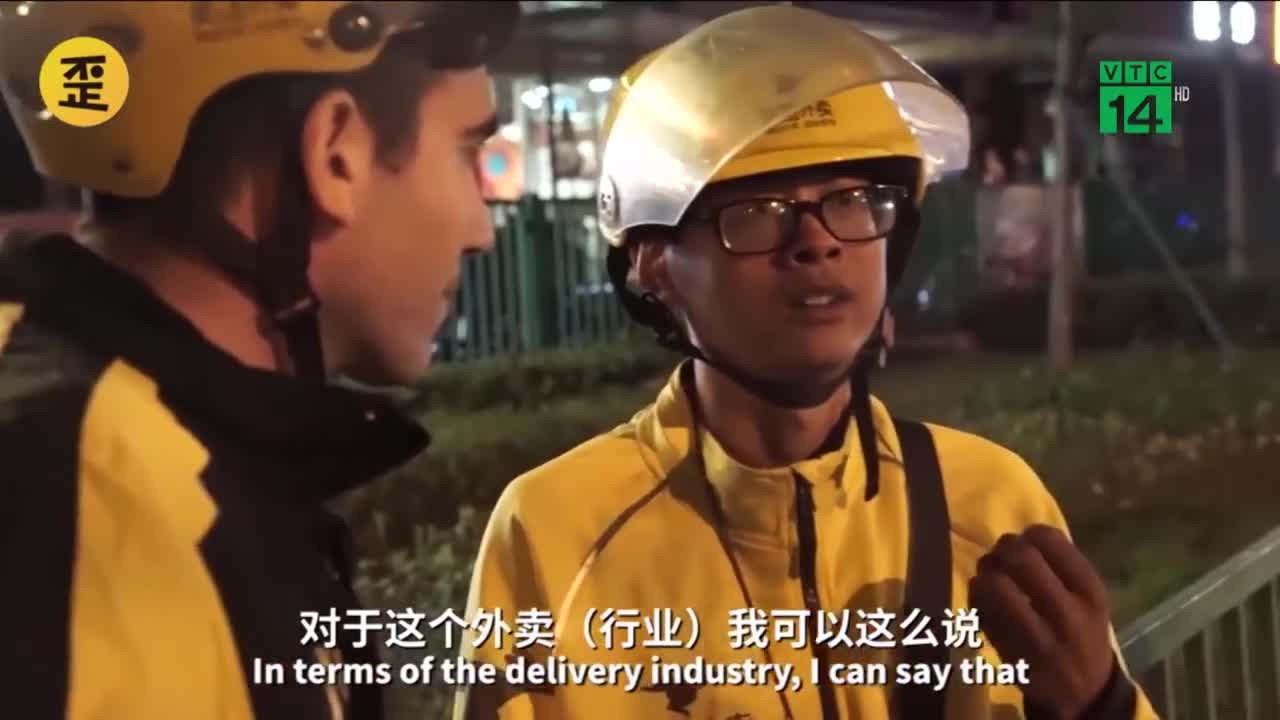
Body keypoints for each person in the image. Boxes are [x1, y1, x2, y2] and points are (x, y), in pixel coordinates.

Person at [456, 7, 1159, 720]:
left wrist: (1098, 705)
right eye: (759, 211)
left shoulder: (991, 505)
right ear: (655, 263)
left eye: (851, 201)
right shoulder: (557, 533)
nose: (817, 242)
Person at [0, 2, 518, 719]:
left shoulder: (161, 452)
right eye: (466, 153)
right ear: (336, 154)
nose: (482, 230)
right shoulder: (86, 502)